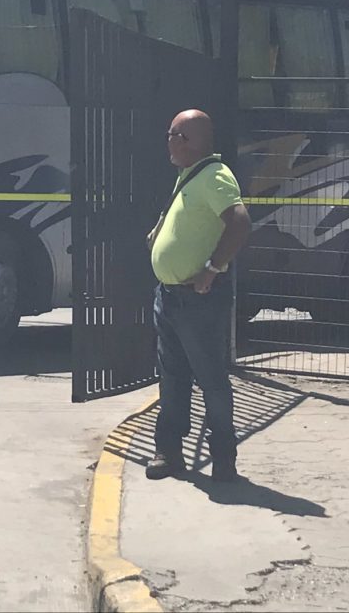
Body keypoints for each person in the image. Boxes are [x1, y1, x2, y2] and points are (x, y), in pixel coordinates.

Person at [147, 109, 251, 482]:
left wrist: (212, 268)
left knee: (211, 379)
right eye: (170, 134)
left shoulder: (214, 176)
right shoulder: (189, 176)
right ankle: (169, 451)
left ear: (194, 141)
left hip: (198, 300)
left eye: (175, 135)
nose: (169, 142)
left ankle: (223, 458)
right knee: (172, 376)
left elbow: (239, 221)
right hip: (170, 296)